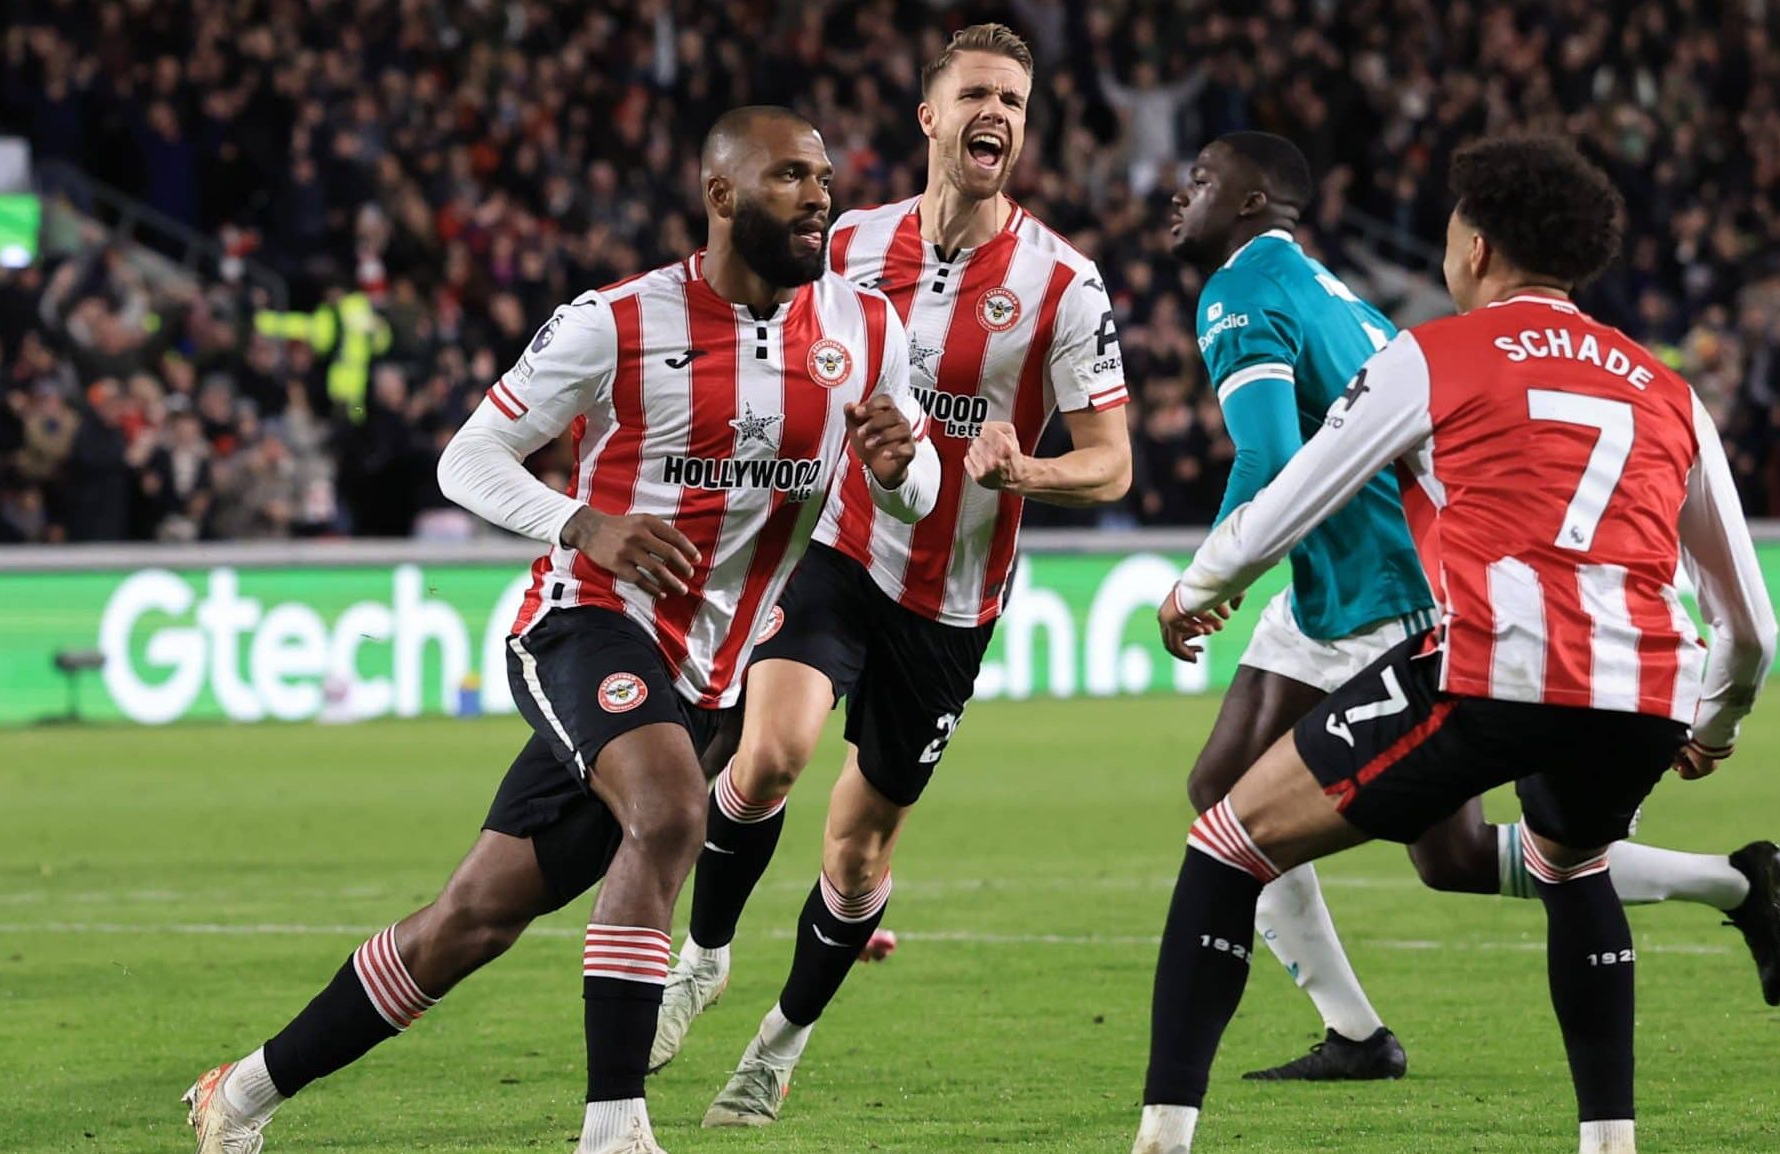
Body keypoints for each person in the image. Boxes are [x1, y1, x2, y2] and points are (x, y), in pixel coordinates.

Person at [183, 105, 941, 1154]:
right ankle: (614, 1130)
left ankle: (241, 1092)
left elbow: (914, 485)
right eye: (789, 177)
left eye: (822, 176)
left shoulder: (866, 329)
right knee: (671, 813)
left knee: (471, 920)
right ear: (720, 195)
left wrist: (903, 469)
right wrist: (581, 522)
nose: (819, 196)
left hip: (705, 676)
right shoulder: (617, 321)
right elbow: (467, 458)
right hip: (584, 623)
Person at [1133, 135, 1779, 1154]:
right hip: (1643, 685)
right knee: (1571, 867)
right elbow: (1750, 624)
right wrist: (1714, 721)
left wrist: (1195, 586)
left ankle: (1164, 1137)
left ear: (1475, 248)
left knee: (1226, 838)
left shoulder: (1436, 353)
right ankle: (1608, 1137)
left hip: (1491, 660)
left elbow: (1292, 486)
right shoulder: (1669, 390)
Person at [651, 23, 1133, 1129]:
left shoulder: (1063, 281)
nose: (996, 114)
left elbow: (1111, 462)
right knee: (768, 755)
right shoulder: (850, 242)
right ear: (930, 116)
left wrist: (1026, 469)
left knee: (858, 852)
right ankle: (704, 955)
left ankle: (778, 1044)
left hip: (952, 601)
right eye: (977, 94)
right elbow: (768, 346)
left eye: (1013, 101)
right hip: (839, 550)